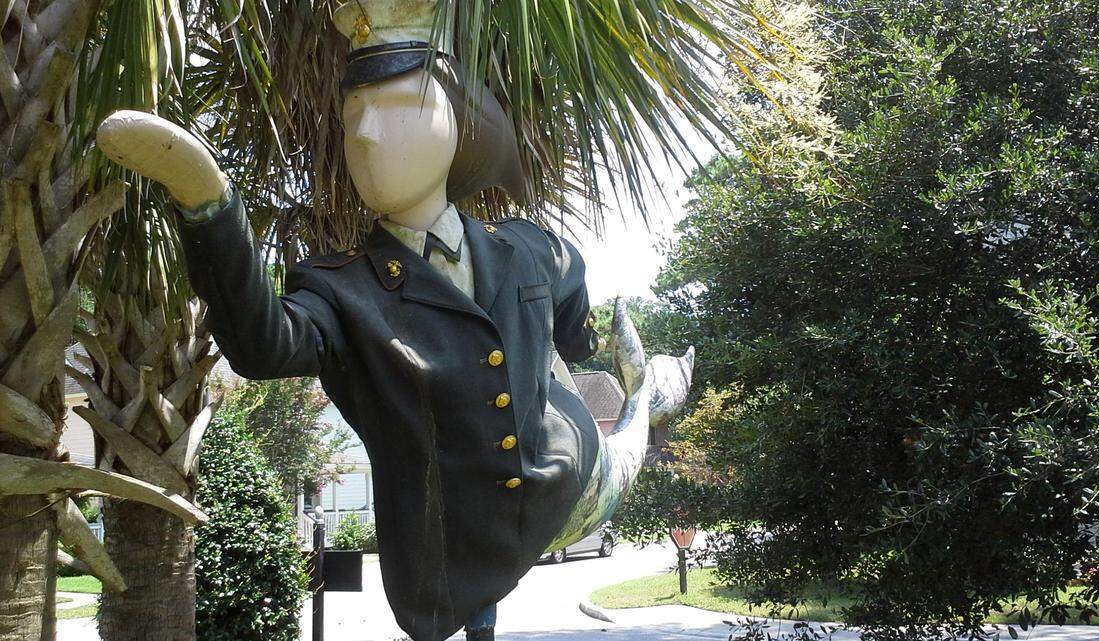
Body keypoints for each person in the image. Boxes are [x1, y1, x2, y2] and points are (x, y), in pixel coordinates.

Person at [96, 2, 692, 639]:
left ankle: (653, 392)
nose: (367, 135)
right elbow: (265, 346)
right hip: (450, 556)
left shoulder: (531, 248)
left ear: (457, 122)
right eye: (353, 116)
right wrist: (209, 206)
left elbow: (573, 312)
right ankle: (653, 391)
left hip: (574, 485)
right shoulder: (340, 289)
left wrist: (580, 344)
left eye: (402, 108)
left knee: (632, 428)